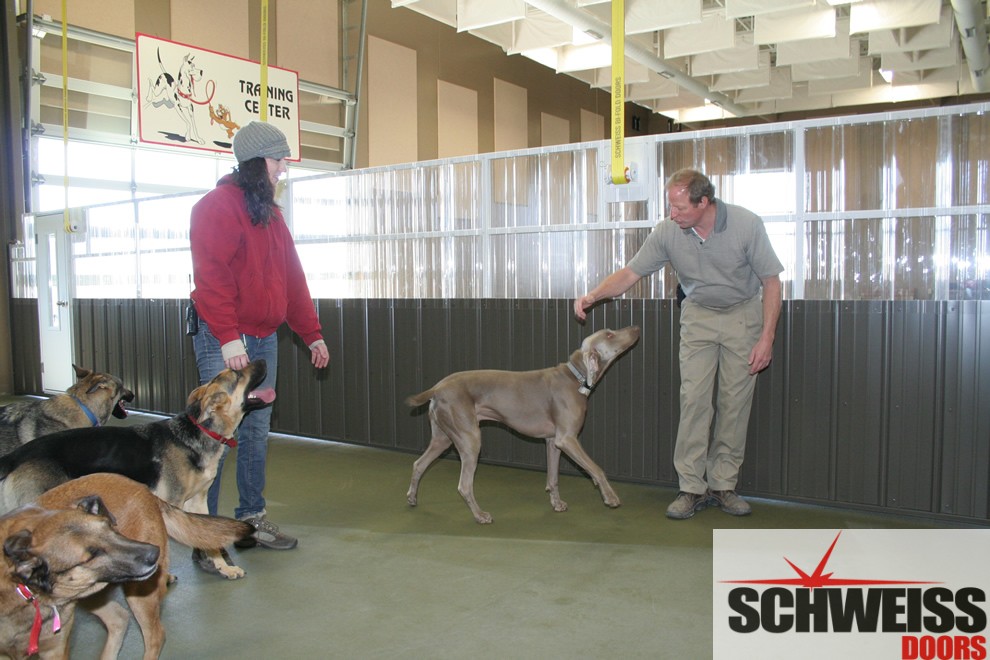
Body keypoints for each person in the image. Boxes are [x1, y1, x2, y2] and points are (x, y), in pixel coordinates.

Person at [573, 168, 782, 520]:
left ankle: (723, 485)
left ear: (704, 202)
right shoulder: (668, 233)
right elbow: (630, 274)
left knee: (734, 402)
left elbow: (771, 282)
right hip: (698, 314)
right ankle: (691, 488)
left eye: (680, 208)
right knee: (694, 399)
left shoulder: (747, 225)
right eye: (670, 206)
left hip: (743, 314)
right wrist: (593, 295)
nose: (673, 214)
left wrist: (767, 338)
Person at [189, 120, 330, 570]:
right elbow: (211, 276)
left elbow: (292, 277)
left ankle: (251, 519)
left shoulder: (270, 214)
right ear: (254, 163)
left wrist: (312, 333)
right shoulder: (216, 207)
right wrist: (230, 338)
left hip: (264, 335)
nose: (283, 168)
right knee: (215, 434)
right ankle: (206, 539)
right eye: (278, 160)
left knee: (255, 431)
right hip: (223, 333)